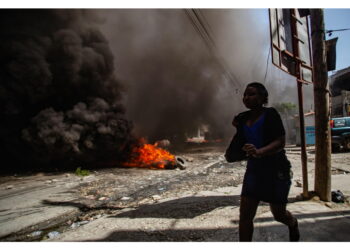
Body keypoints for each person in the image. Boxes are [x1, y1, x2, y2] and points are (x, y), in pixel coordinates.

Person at [225, 82, 300, 242]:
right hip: (254, 171)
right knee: (245, 216)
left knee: (279, 214)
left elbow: (280, 142)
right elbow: (240, 140)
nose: (246, 98)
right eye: (245, 94)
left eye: (251, 94)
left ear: (263, 97)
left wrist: (260, 151)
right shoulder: (242, 118)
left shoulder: (271, 114)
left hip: (276, 171)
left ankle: (292, 223)